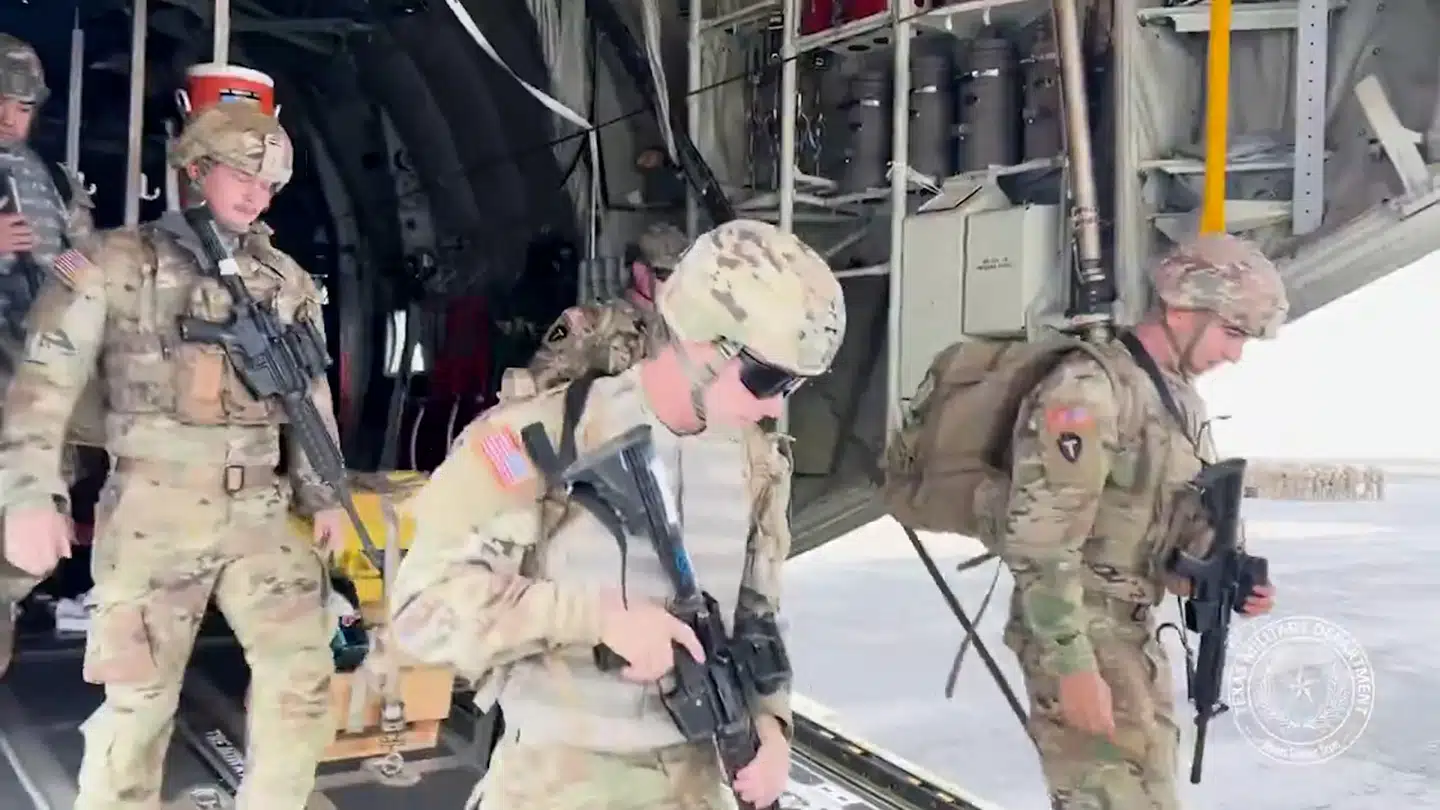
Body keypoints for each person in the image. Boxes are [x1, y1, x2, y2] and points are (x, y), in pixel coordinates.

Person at [389, 219, 846, 810]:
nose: (775, 406)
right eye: (767, 378)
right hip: (556, 787)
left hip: (697, 788)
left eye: (794, 386)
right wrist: (597, 619)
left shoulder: (756, 465)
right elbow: (420, 612)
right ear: (702, 337)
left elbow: (759, 617)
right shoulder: (536, 438)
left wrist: (771, 724)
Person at [0, 101, 347, 810]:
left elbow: (310, 399)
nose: (255, 194)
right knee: (139, 701)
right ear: (197, 169)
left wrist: (327, 494)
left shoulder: (285, 280)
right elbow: (42, 383)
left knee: (303, 679)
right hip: (155, 512)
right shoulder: (113, 262)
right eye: (241, 174)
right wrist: (28, 495)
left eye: (268, 184)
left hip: (259, 510)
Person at [1001, 233, 1286, 809]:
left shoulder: (1177, 401)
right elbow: (1040, 543)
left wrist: (1228, 577)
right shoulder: (1088, 391)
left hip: (1130, 633)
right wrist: (1073, 668)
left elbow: (1170, 524)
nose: (1235, 354)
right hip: (1076, 629)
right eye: (1232, 332)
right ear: (1182, 309)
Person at [0, 32, 98, 676]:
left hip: (31, 391)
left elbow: (78, 261)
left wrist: (78, 281)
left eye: (21, 106)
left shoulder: (54, 181)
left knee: (20, 559)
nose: (9, 117)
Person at [521, 221, 689, 393]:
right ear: (640, 272)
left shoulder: (688, 321)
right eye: (667, 274)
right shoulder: (591, 322)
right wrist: (591, 366)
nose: (678, 283)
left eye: (685, 275)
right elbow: (539, 382)